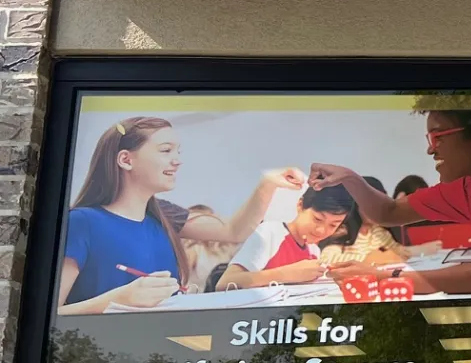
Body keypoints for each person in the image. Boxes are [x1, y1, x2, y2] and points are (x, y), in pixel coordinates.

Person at [58, 116, 307, 314]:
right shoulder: (81, 222)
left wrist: (267, 184)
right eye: (166, 150)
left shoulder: (163, 214)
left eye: (178, 152)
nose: (177, 161)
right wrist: (119, 299)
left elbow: (233, 232)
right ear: (125, 160)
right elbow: (54, 314)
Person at [309, 96, 471, 296]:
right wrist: (350, 178)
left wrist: (385, 277)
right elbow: (389, 212)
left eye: (438, 137)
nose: (431, 149)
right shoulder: (467, 187)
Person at [217, 186, 358, 289]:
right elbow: (225, 283)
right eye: (317, 219)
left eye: (333, 225)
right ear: (300, 205)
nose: (322, 231)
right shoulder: (270, 233)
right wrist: (286, 274)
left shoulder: (314, 251)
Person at [319, 176, 408, 267]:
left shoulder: (378, 231)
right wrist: (368, 259)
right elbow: (326, 258)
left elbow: (399, 252)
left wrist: (396, 255)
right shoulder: (343, 230)